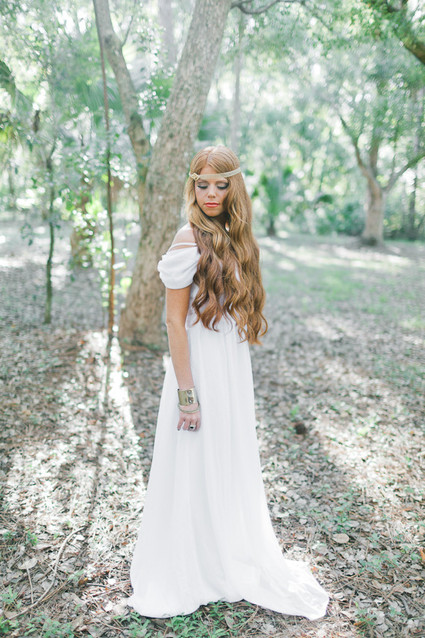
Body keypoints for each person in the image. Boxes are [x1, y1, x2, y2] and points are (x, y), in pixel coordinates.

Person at [127, 145, 329, 619]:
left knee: (225, 455)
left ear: (234, 187)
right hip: (197, 368)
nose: (211, 193)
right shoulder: (188, 238)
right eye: (202, 184)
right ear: (192, 186)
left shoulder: (236, 237)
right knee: (196, 456)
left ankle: (224, 549)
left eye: (221, 184)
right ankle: (191, 560)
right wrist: (188, 395)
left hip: (230, 366)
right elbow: (174, 323)